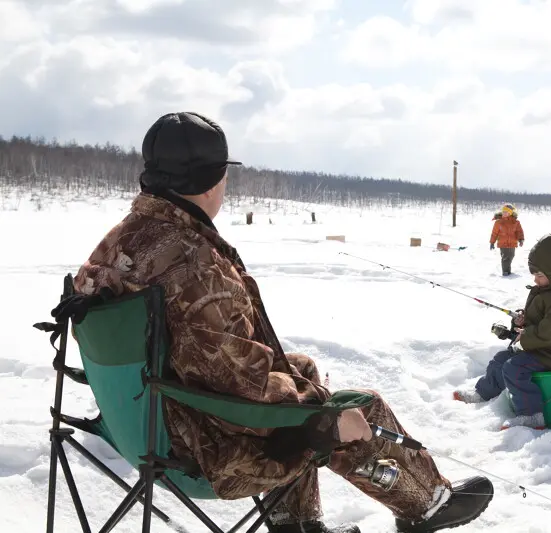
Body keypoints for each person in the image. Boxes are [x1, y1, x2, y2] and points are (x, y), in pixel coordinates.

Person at [72, 112, 493, 533]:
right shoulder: (193, 264)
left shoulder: (120, 241)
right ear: (213, 181)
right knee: (356, 408)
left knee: (300, 370)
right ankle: (428, 504)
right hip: (202, 449)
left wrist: (301, 388)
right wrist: (324, 415)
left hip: (142, 425)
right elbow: (242, 389)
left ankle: (295, 524)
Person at [454, 232, 551, 430]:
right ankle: (483, 392)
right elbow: (544, 321)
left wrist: (525, 337)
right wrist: (525, 320)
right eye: (534, 275)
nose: (535, 281)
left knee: (515, 367)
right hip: (546, 346)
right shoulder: (549, 289)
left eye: (539, 276)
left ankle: (532, 415)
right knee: (501, 358)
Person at [489, 204, 524, 276]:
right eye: (503, 211)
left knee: (511, 256)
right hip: (503, 243)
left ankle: (508, 271)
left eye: (506, 212)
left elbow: (519, 231)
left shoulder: (516, 222)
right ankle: (505, 272)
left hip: (512, 243)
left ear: (510, 213)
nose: (504, 213)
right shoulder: (498, 222)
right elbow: (494, 233)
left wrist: (520, 240)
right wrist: (492, 242)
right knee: (505, 257)